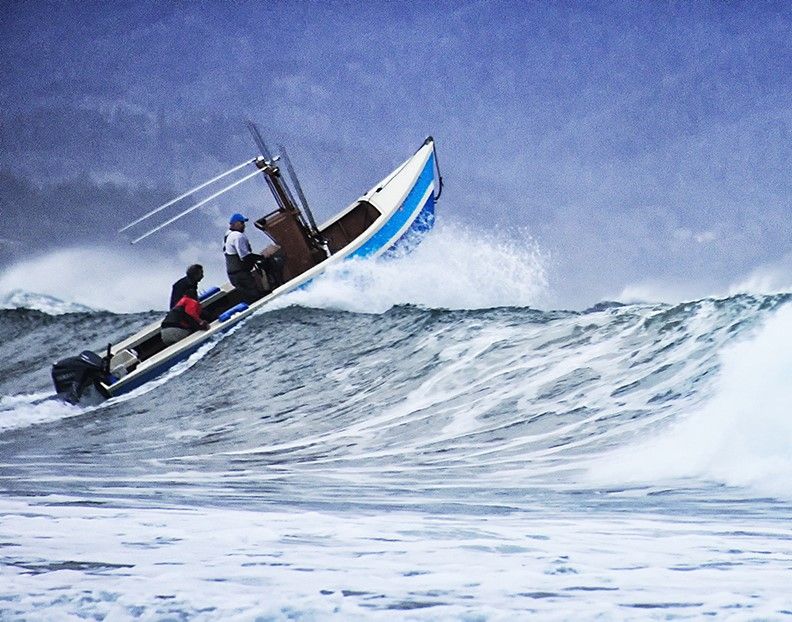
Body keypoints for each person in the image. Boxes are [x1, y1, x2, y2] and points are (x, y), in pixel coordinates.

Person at [223, 213, 265, 303]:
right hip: (241, 275)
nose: (244, 226)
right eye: (242, 223)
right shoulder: (237, 236)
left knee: (249, 298)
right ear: (235, 223)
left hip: (233, 276)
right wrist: (262, 258)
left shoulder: (227, 235)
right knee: (255, 297)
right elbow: (245, 256)